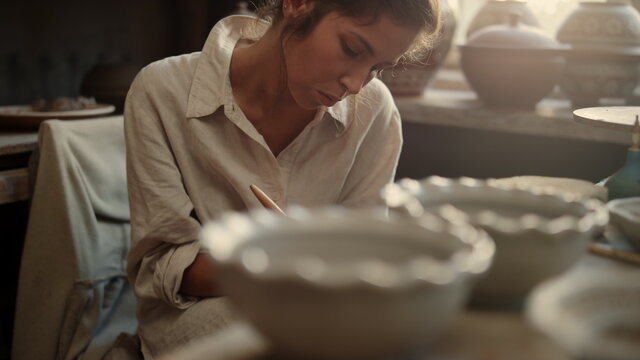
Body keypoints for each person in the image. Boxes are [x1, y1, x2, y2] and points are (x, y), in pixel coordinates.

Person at [123, 0, 441, 357]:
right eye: (351, 48)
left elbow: (360, 261)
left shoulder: (373, 111)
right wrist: (278, 265)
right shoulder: (162, 91)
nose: (355, 84)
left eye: (378, 68)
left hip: (327, 316)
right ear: (297, 4)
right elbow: (161, 267)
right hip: (194, 315)